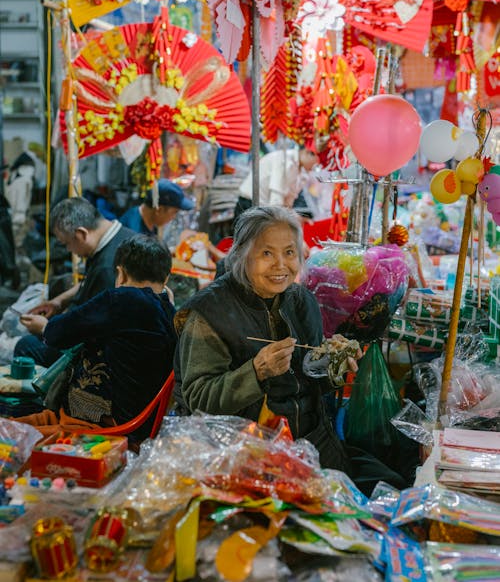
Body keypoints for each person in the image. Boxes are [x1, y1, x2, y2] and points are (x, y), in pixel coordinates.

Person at [175, 206, 409, 493]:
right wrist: (256, 372)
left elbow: (310, 377)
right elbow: (198, 399)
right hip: (249, 454)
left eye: (289, 252)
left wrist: (334, 364)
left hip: (311, 442)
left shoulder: (300, 301)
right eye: (266, 253)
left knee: (394, 487)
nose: (280, 265)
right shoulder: (209, 314)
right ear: (241, 255)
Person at [17, 234, 177, 442]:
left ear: (121, 274)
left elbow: (58, 334)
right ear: (166, 279)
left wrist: (44, 327)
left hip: (115, 422)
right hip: (148, 422)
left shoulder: (120, 299)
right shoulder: (170, 310)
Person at [15, 197, 134, 366]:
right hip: (99, 326)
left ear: (81, 234)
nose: (70, 251)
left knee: (27, 346)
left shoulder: (108, 268)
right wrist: (58, 302)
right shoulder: (119, 236)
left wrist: (46, 329)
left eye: (67, 244)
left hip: (105, 352)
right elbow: (88, 283)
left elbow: (93, 330)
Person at [234, 145, 319, 224]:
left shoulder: (301, 172)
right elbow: (275, 203)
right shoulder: (284, 160)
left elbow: (287, 204)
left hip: (264, 208)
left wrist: (296, 218)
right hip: (250, 205)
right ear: (308, 152)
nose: (316, 167)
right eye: (317, 163)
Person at [119, 179, 194, 236]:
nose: (173, 217)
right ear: (159, 210)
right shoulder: (133, 233)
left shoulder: (147, 219)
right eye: (174, 212)